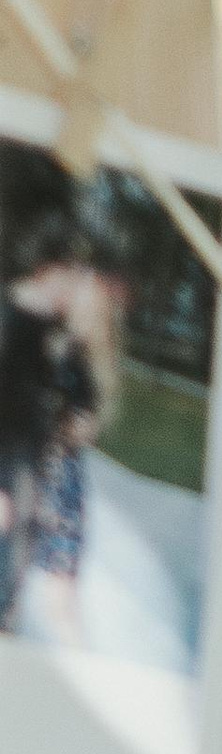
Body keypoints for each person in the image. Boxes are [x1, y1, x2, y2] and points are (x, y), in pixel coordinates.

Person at [0, 224, 117, 635]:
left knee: (41, 591)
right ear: (48, 272)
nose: (72, 288)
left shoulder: (63, 336)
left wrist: (76, 422)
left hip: (46, 476)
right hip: (15, 471)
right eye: (68, 276)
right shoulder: (12, 323)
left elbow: (86, 408)